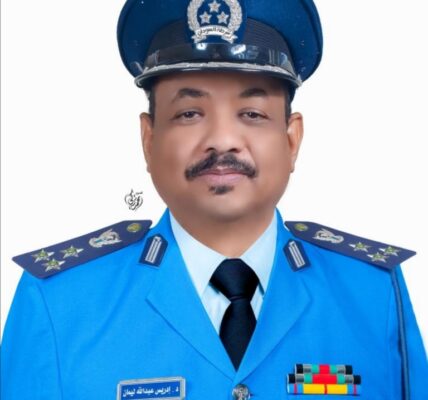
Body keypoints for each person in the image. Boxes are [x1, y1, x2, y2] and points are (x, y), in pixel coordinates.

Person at [2, 0, 427, 399]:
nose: (222, 140)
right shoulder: (60, 302)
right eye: (189, 114)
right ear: (149, 140)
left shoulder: (372, 293)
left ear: (291, 140)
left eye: (252, 114)